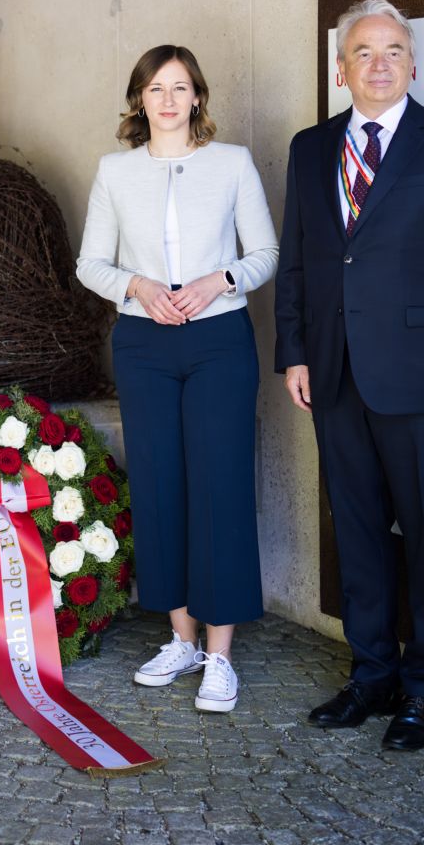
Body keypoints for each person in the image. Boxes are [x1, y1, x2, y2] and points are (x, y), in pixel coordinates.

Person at [274, 0, 424, 751]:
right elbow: (301, 261)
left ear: (414, 65)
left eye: (393, 51)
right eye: (363, 52)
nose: (378, 65)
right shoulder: (310, 149)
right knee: (358, 530)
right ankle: (372, 672)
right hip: (335, 373)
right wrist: (294, 349)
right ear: (340, 68)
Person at [75, 44, 278, 714]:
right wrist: (134, 284)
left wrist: (218, 279)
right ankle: (182, 639)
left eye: (180, 86)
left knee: (218, 485)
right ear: (140, 99)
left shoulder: (233, 164)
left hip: (220, 338)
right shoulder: (114, 171)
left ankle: (220, 655)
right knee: (160, 486)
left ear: (198, 97)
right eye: (155, 87)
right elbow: (90, 264)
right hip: (142, 340)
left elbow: (265, 253)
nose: (168, 98)